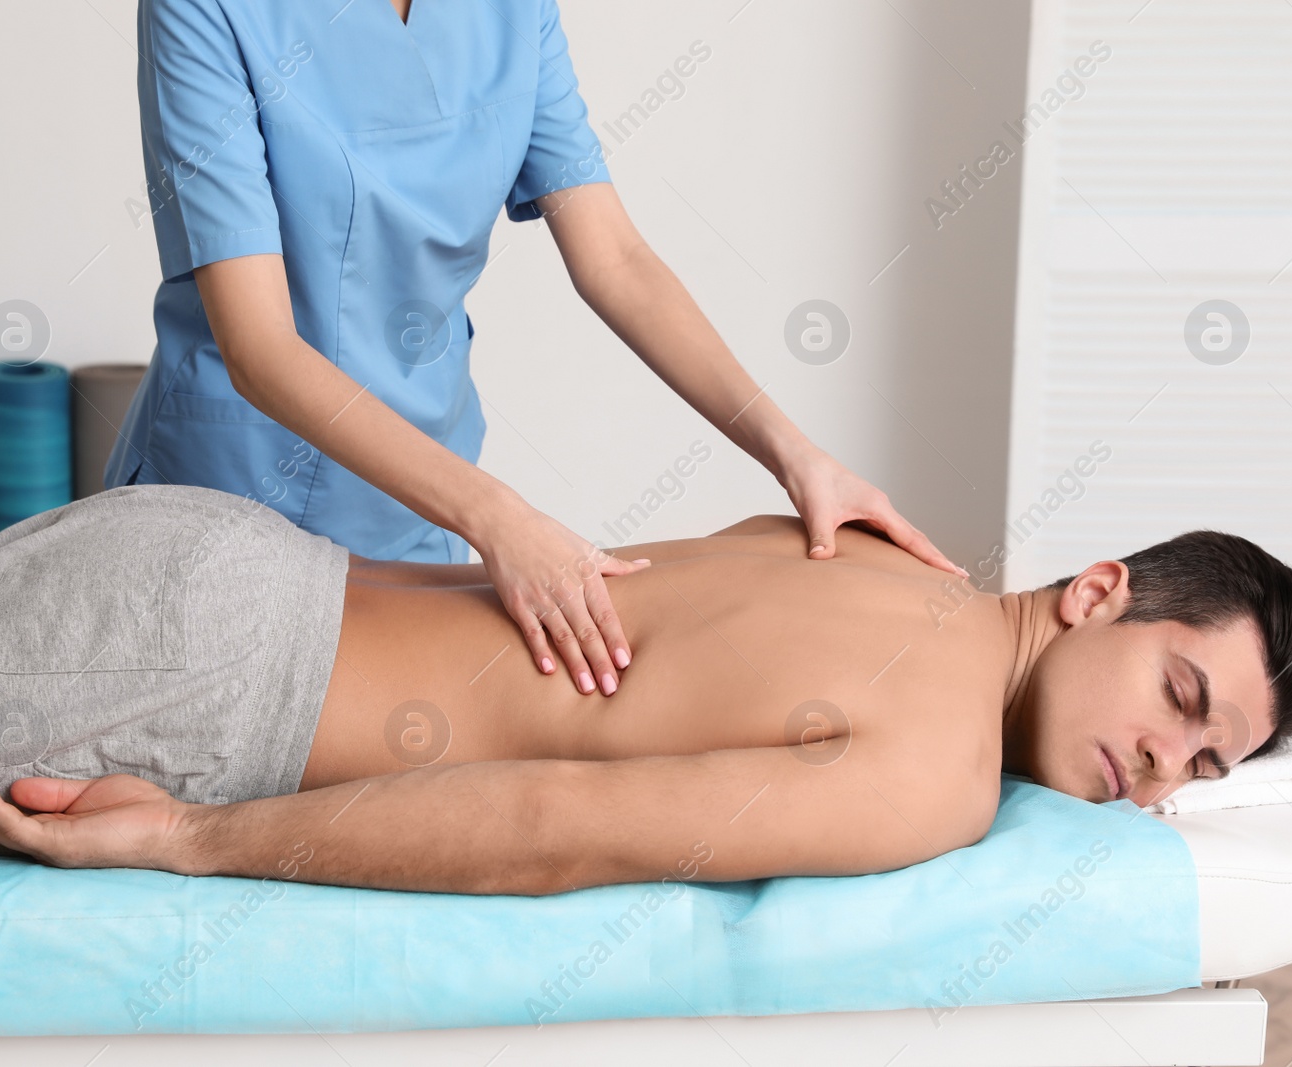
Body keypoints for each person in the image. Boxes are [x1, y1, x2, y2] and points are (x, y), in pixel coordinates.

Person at [0, 483, 1292, 893]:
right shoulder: (933, 774)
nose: (1158, 765)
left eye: (1204, 766)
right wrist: (189, 836)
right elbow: (553, 820)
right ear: (1100, 591)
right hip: (212, 680)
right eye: (1178, 693)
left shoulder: (867, 544)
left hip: (208, 550)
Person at [104, 0, 965, 702]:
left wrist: (797, 456)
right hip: (235, 494)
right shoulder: (208, 8)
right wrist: (501, 520)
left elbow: (616, 261)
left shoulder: (511, 11)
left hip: (418, 508)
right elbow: (260, 348)